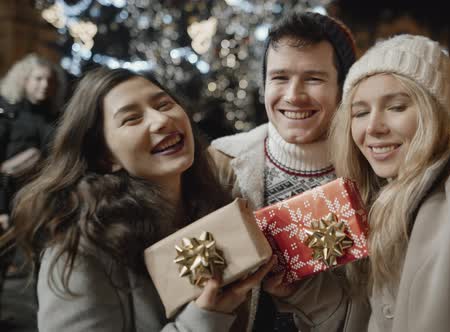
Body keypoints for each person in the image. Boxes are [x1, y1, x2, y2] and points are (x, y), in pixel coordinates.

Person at [266, 35, 450, 332]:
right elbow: (359, 321)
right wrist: (298, 292)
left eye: (396, 107)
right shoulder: (372, 206)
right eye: (360, 113)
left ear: (434, 115)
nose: (373, 127)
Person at [1, 67, 275, 332]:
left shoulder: (215, 207)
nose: (161, 120)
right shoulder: (79, 249)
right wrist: (202, 320)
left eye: (164, 104)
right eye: (131, 119)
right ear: (105, 157)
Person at [207, 12, 358, 331]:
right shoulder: (220, 161)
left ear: (342, 88)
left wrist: (303, 291)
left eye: (314, 78)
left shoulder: (368, 176)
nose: (293, 95)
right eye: (280, 78)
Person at [0, 53, 66, 229]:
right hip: (10, 202)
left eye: (50, 80)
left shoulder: (55, 119)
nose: (45, 85)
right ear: (24, 80)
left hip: (44, 203)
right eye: (38, 78)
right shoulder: (7, 115)